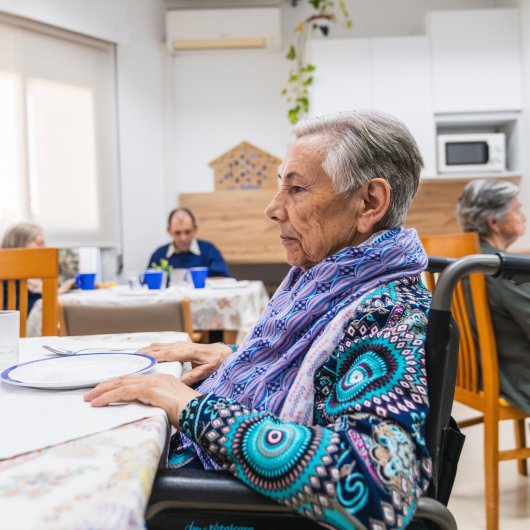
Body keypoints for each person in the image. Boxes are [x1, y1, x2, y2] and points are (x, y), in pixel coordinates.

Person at [85, 110, 432, 529]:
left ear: (370, 202)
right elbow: (315, 374)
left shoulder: (391, 313)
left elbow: (378, 484)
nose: (273, 208)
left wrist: (190, 407)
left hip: (211, 507)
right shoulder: (327, 278)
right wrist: (235, 358)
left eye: (297, 189)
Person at [457, 179, 530, 412]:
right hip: (515, 382)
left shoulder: (467, 259)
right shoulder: (501, 269)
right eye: (517, 209)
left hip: (478, 377)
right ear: (494, 221)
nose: (524, 216)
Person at [1, 222, 76, 313]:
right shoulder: (6, 278)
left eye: (43, 243)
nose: (44, 248)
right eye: (39, 243)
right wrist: (57, 292)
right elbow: (15, 311)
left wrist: (67, 287)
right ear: (18, 245)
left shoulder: (39, 274)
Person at [148, 208, 229, 277]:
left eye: (187, 232)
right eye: (177, 233)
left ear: (195, 228)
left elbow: (223, 279)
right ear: (169, 231)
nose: (183, 238)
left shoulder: (209, 250)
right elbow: (147, 283)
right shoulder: (159, 255)